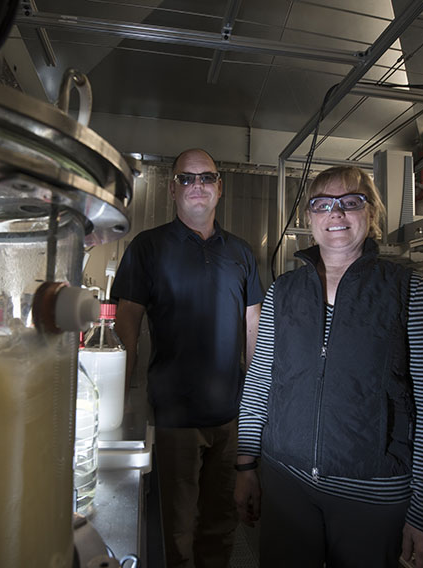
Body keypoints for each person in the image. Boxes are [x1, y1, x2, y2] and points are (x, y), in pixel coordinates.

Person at [234, 166, 423, 568]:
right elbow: (260, 382)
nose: (336, 213)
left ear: (371, 215)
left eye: (350, 202)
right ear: (309, 218)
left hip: (372, 497)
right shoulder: (282, 291)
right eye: (322, 204)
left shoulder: (409, 290)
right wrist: (246, 464)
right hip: (287, 486)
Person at [111, 148, 263, 568]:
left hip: (229, 417)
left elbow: (253, 331)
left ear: (220, 188)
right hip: (174, 415)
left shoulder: (242, 253)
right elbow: (127, 327)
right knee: (176, 531)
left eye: (207, 178)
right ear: (172, 189)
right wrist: (120, 401)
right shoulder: (148, 247)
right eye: (187, 178)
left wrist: (253, 408)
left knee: (220, 524)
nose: (197, 186)